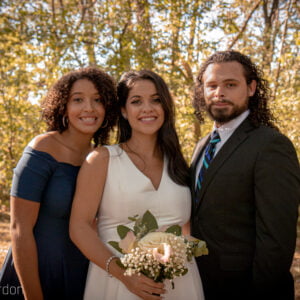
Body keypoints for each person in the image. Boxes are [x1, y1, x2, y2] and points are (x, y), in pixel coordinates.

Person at [70, 70, 205, 300]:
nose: (147, 108)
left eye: (156, 100)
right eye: (136, 101)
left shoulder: (178, 163)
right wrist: (125, 276)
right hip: (117, 283)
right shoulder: (103, 159)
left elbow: (186, 228)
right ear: (123, 110)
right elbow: (79, 228)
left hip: (180, 284)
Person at [190, 50, 300, 300]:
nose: (219, 92)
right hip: (202, 285)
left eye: (230, 84)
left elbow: (277, 240)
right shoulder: (202, 145)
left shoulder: (271, 145)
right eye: (212, 85)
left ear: (251, 88)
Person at [0, 67, 117, 299]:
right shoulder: (42, 148)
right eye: (78, 100)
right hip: (34, 276)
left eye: (98, 100)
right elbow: (19, 229)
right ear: (63, 106)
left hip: (80, 276)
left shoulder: (101, 157)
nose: (89, 108)